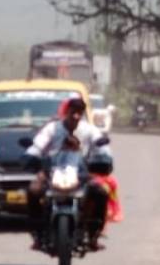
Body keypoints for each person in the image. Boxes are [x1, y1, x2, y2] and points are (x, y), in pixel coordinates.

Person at [21, 95, 111, 250]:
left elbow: (101, 146)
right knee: (33, 190)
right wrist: (31, 156)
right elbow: (38, 145)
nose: (76, 116)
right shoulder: (52, 128)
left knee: (101, 193)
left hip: (81, 172)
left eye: (79, 113)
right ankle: (38, 233)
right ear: (67, 111)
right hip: (51, 171)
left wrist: (104, 157)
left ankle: (93, 235)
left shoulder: (89, 130)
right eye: (73, 111)